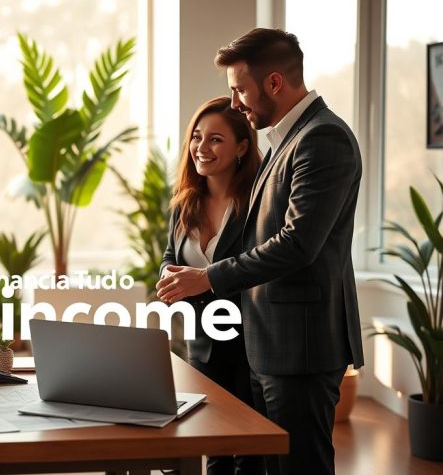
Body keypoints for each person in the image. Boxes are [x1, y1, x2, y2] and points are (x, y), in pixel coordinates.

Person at [156, 28, 364, 475]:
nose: (234, 103)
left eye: (239, 90)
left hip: (301, 346)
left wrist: (207, 277)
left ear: (273, 83)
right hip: (269, 343)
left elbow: (297, 244)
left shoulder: (322, 138)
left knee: (299, 468)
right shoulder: (284, 142)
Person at [160, 96, 263, 475]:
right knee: (212, 445)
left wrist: (199, 283)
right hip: (202, 343)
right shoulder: (184, 204)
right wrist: (169, 275)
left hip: (250, 344)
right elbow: (171, 256)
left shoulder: (257, 203)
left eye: (216, 139)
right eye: (197, 137)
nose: (202, 148)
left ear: (241, 146)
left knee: (248, 453)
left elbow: (258, 268)